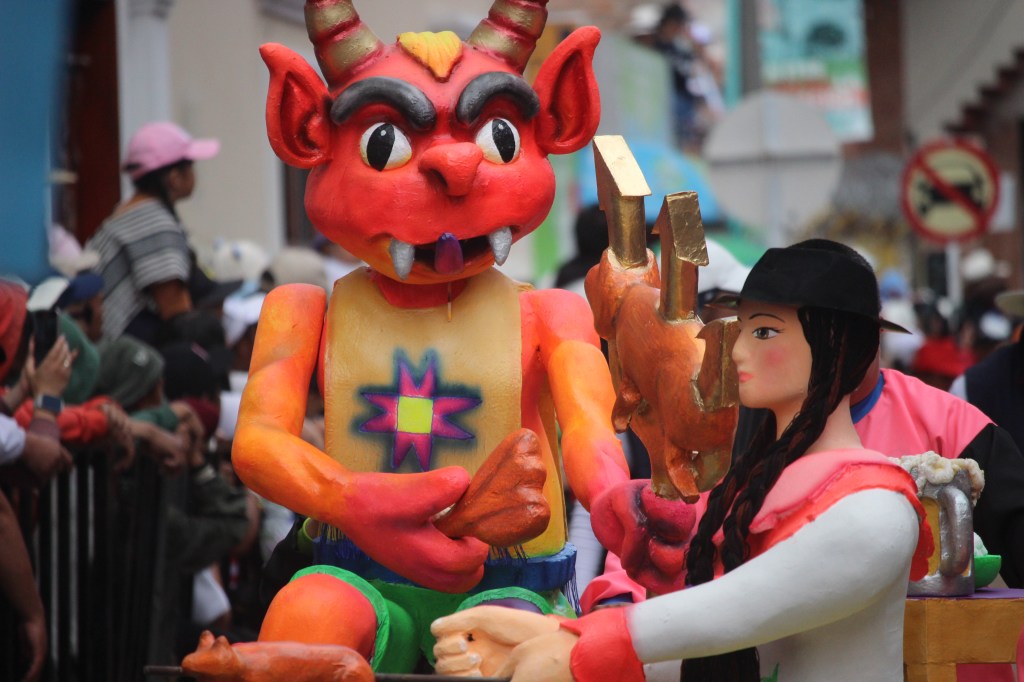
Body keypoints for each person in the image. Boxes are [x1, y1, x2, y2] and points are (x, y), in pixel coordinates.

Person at [431, 240, 931, 681]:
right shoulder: (749, 489)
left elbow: (738, 611)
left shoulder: (874, 509)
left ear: (836, 344)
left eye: (764, 332)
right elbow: (724, 653)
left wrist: (582, 645)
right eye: (740, 328)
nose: (736, 351)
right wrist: (552, 635)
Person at [86, 121, 219, 343]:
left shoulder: (127, 212)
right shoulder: (153, 223)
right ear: (174, 178)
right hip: (122, 348)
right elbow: (176, 312)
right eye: (190, 165)